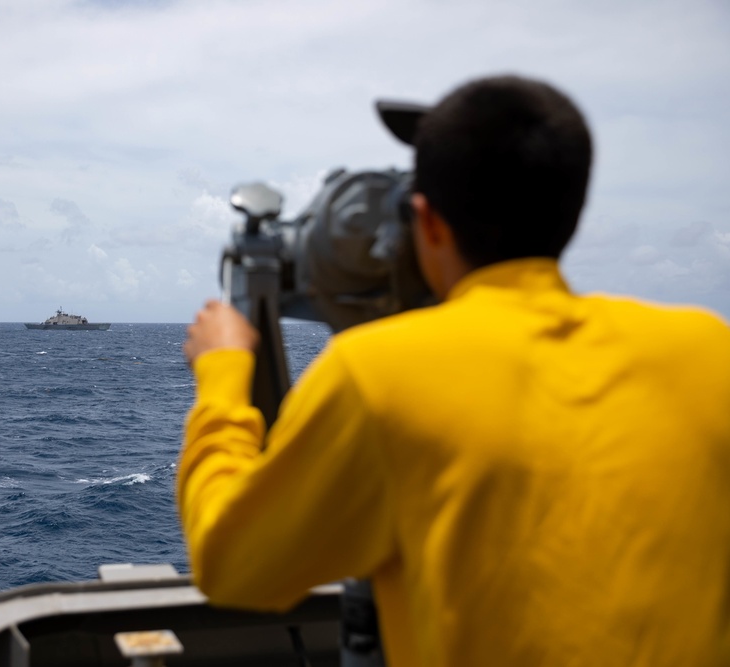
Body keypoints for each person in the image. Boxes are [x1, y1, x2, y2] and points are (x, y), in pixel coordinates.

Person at [178, 75, 730, 666]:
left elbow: (232, 566)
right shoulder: (708, 348)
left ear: (429, 222)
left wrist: (225, 373)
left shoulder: (377, 374)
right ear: (570, 209)